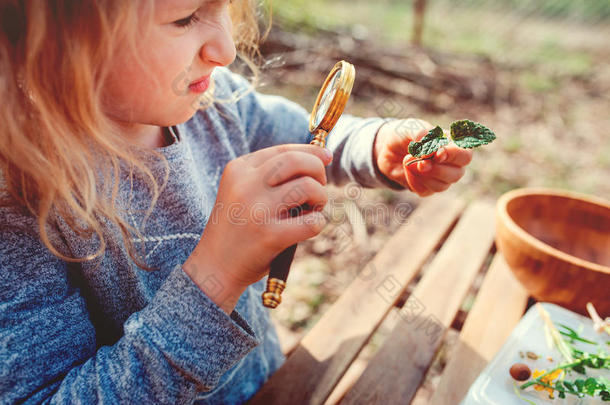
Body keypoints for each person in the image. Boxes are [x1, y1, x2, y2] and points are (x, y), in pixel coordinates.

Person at [0, 1, 473, 404]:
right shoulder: (22, 201)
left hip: (269, 380)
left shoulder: (215, 103)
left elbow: (305, 140)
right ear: (55, 42)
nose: (225, 49)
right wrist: (216, 278)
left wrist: (374, 146)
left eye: (225, 6)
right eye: (185, 17)